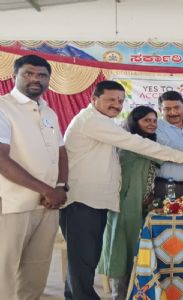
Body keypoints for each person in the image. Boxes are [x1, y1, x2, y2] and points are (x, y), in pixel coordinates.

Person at [61, 81, 183, 300]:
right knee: (84, 258)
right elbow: (136, 144)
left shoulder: (103, 122)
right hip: (83, 201)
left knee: (84, 259)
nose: (116, 105)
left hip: (97, 200)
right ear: (94, 99)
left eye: (120, 100)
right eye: (111, 99)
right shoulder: (92, 121)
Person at [0, 55, 68, 299]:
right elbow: (2, 160)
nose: (35, 79)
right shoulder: (3, 108)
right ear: (14, 76)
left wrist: (60, 187)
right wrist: (48, 190)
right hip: (12, 205)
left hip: (47, 206)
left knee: (36, 272)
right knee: (4, 273)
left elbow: (61, 152)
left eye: (42, 75)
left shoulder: (48, 111)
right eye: (28, 73)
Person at [97, 106, 163, 299]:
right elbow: (162, 155)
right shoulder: (131, 142)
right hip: (125, 204)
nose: (151, 124)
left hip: (141, 202)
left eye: (154, 120)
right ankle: (120, 295)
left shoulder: (146, 142)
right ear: (135, 123)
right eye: (146, 121)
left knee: (136, 248)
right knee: (124, 248)